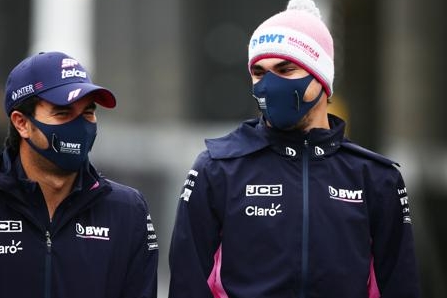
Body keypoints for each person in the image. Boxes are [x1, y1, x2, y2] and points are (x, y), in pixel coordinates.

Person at [168, 0, 420, 297]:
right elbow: (187, 285)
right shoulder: (217, 167)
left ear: (321, 76)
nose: (270, 84)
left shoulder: (376, 178)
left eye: (286, 69)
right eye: (260, 72)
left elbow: (401, 286)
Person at [0, 51, 159, 298]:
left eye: (88, 113)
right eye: (63, 113)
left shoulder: (126, 210)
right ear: (22, 123)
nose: (80, 125)